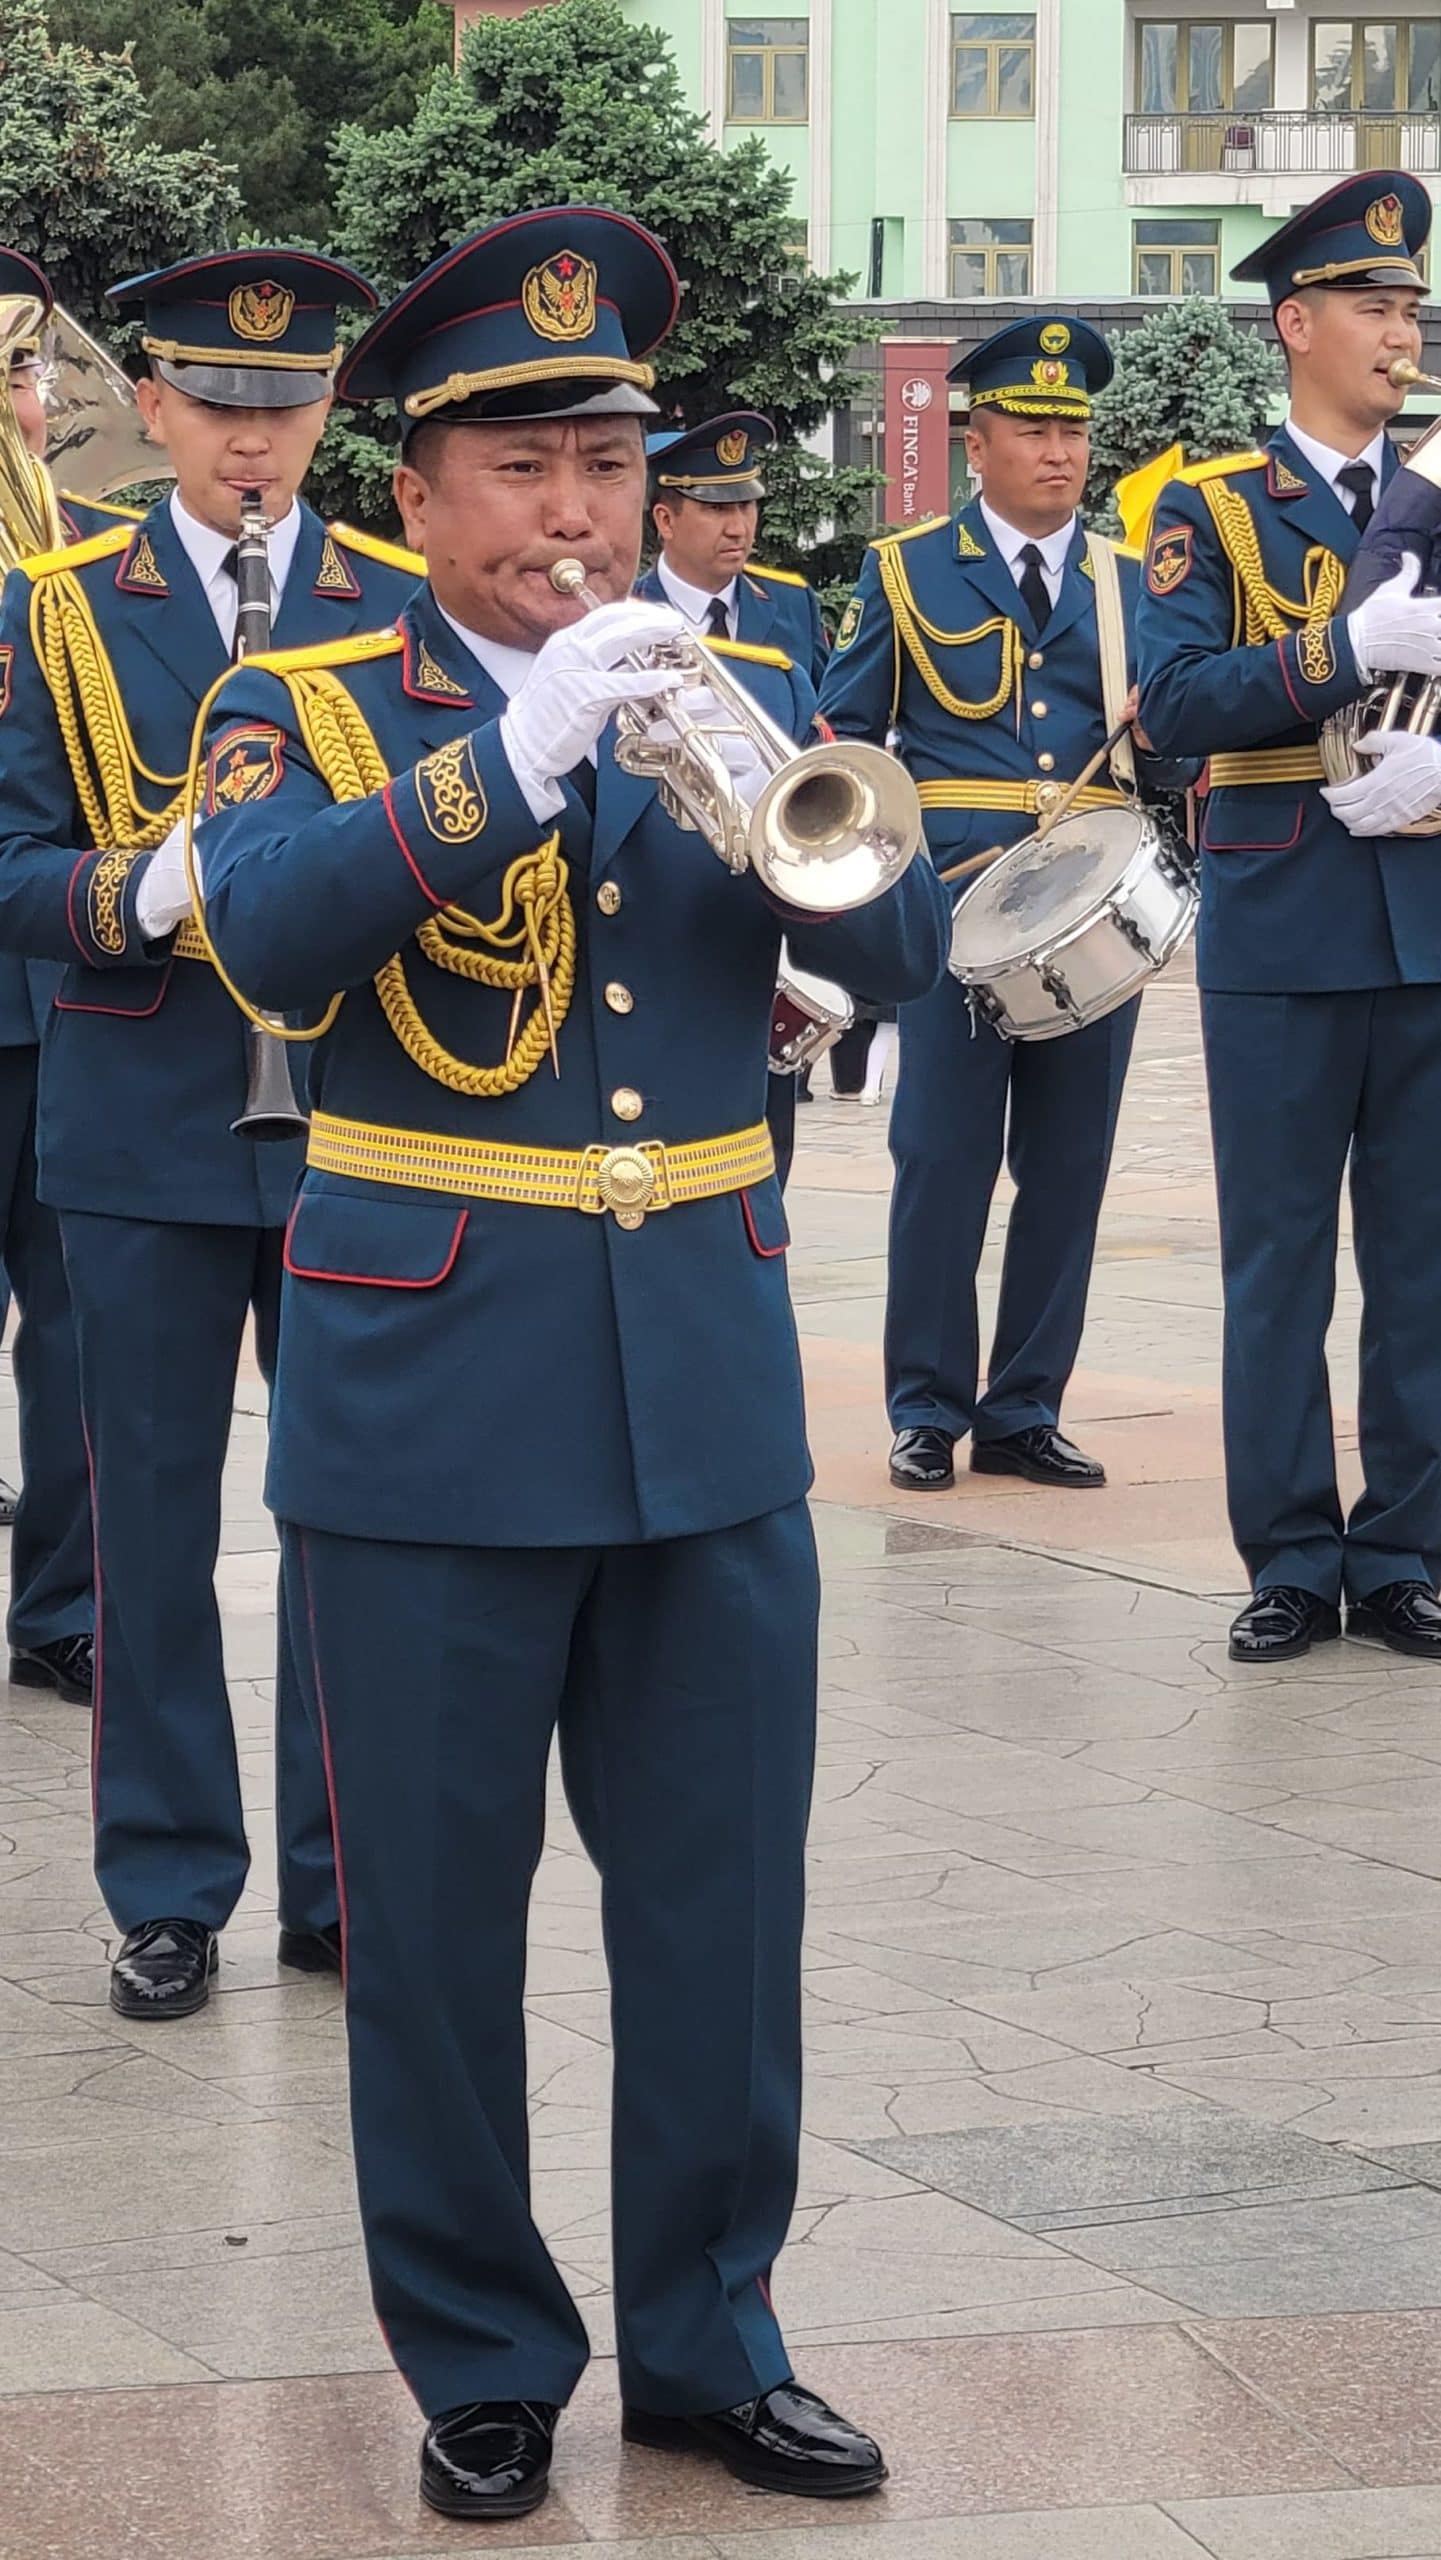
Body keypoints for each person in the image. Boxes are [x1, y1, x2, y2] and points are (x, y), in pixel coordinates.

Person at [191, 206, 948, 2522]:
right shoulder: (305, 700)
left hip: (703, 1373)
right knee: (429, 1928)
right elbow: (261, 927)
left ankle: (711, 2336)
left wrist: (802, 862)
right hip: (431, 1388)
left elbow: (884, 927)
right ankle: (485, 2350)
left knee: (720, 1913)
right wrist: (508, 760)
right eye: (520, 467)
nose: (573, 514)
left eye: (604, 462)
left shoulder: (715, 682)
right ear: (412, 494)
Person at [0, 249, 424, 2018]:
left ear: (330, 413)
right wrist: (135, 889)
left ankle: (343, 1881)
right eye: (220, 407)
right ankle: (170, 1884)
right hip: (145, 1112)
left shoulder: (394, 599)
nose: (255, 443)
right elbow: (13, 868)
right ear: (151, 409)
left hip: (354, 1117)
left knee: (354, 1513)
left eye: (289, 406)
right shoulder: (61, 609)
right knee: (152, 1524)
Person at [1137, 172, 1441, 1665]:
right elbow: (1176, 708)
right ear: (1296, 324)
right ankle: (1288, 1554)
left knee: (1426, 1264)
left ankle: (1403, 1552)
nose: (1403, 330)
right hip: (1283, 926)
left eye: (1410, 308)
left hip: (1430, 922)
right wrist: (1341, 646)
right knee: (1276, 1264)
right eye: (1377, 307)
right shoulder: (1202, 509)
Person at [821, 317, 1196, 1494]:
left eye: (1073, 431)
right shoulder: (904, 568)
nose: (1059, 450)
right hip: (947, 914)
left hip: (1089, 915)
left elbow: (1179, 750)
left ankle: (1024, 1406)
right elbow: (842, 738)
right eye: (1032, 429)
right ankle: (926, 1406)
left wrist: (1172, 737)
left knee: (1070, 1164)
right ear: (973, 442)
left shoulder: (1129, 582)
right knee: (940, 1159)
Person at [0, 248, 138, 1700]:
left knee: (80, 1332)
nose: (25, 400)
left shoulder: (96, 562)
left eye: (27, 371)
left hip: (62, 992)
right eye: (8, 371)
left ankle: (63, 1605)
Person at [638, 410, 831, 1184]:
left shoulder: (789, 605)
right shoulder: (622, 610)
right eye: (717, 509)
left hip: (762, 882)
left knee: (765, 1122)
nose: (738, 526)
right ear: (665, 518)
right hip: (657, 879)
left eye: (747, 506)